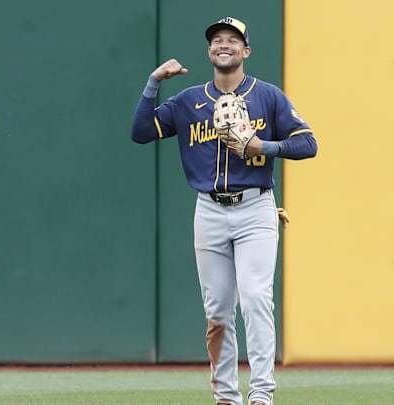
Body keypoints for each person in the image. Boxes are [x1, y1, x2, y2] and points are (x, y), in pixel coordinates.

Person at [130, 17, 317, 405]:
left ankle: (262, 395)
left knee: (254, 297)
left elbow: (308, 144)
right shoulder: (188, 102)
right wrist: (154, 82)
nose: (224, 44)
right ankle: (227, 397)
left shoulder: (268, 96)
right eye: (217, 40)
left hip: (255, 209)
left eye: (233, 39)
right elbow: (141, 132)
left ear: (246, 50)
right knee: (217, 311)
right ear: (210, 51)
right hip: (209, 211)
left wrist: (263, 147)